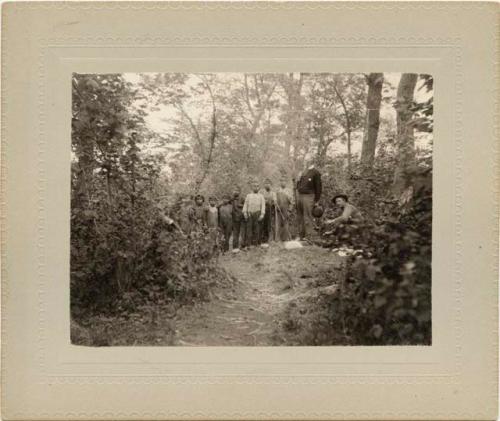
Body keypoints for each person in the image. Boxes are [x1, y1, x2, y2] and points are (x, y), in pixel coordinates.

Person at [295, 162, 322, 241]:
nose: (307, 162)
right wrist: (298, 179)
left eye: (309, 160)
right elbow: (297, 186)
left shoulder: (316, 172)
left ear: (312, 161)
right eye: (306, 160)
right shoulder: (303, 172)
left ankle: (309, 236)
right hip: (300, 196)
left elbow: (318, 188)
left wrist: (316, 200)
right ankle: (301, 235)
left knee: (308, 216)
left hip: (309, 196)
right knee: (300, 216)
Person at [243, 180, 266, 247]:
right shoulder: (248, 195)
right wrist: (245, 213)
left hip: (257, 213)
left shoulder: (261, 196)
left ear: (258, 187)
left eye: (257, 186)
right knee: (249, 230)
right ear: (252, 187)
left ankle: (256, 244)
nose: (256, 187)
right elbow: (245, 205)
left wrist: (262, 214)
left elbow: (263, 205)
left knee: (257, 229)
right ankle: (249, 244)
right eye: (254, 186)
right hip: (250, 214)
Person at [259, 178, 277, 248]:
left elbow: (275, 201)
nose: (267, 185)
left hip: (270, 212)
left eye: (268, 184)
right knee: (262, 225)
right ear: (264, 185)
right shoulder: (261, 192)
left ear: (271, 185)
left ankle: (269, 239)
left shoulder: (273, 193)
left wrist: (274, 202)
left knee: (269, 225)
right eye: (266, 184)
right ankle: (261, 239)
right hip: (262, 211)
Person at [275, 176, 293, 242]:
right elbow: (275, 201)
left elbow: (291, 202)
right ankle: (278, 239)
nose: (282, 182)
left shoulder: (288, 191)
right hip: (279, 209)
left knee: (286, 224)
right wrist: (276, 205)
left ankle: (286, 239)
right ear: (280, 182)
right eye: (281, 181)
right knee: (278, 224)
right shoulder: (277, 191)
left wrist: (289, 210)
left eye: (284, 181)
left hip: (286, 209)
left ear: (286, 182)